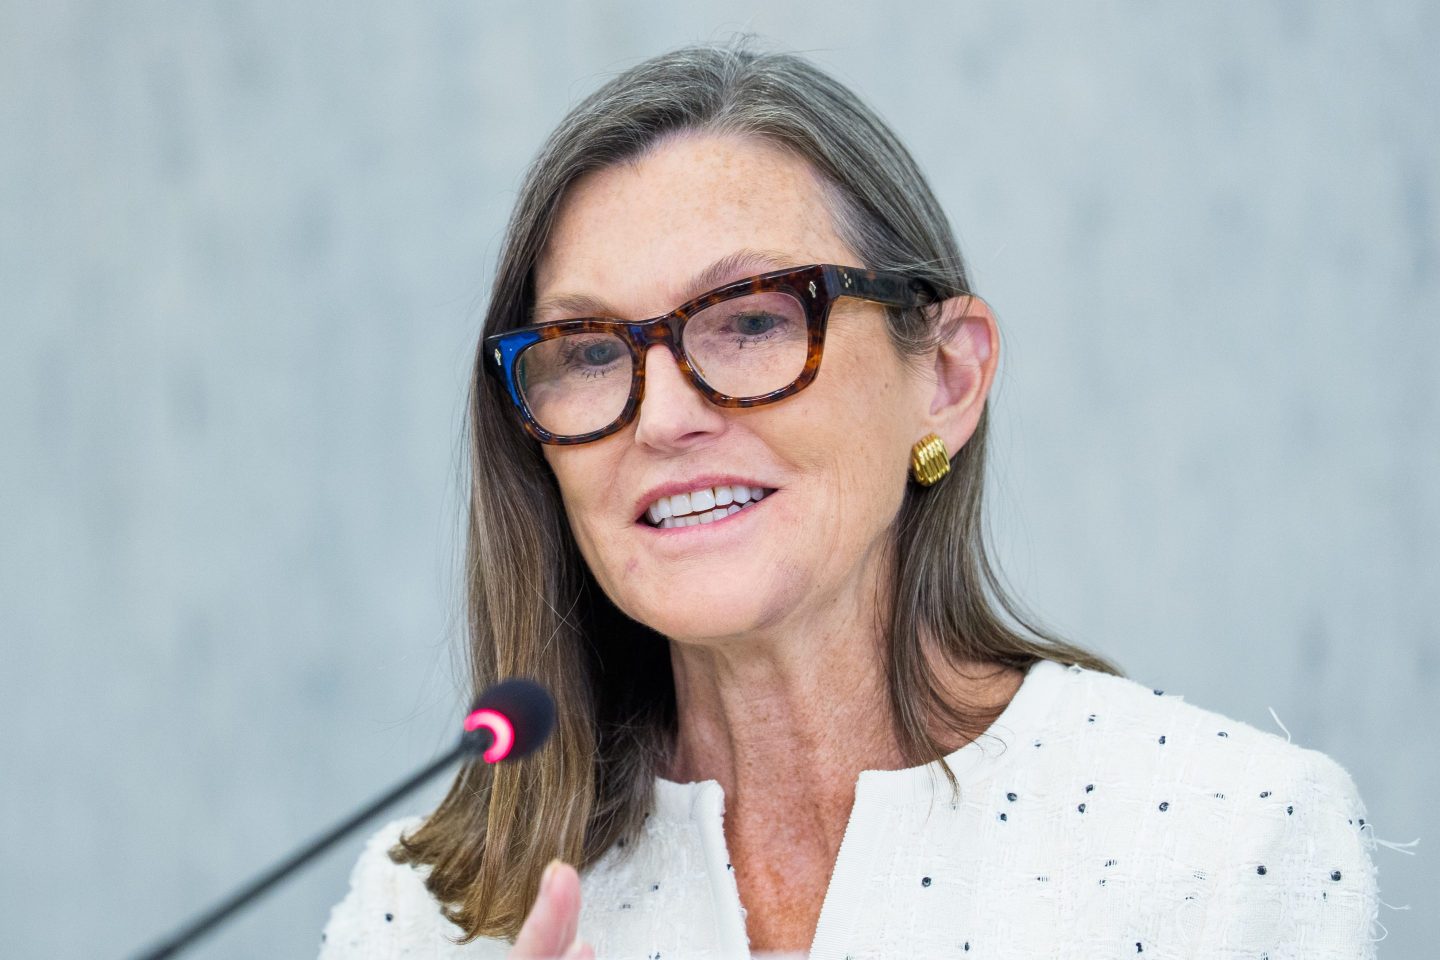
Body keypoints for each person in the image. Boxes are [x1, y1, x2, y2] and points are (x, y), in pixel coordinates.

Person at [319, 41, 1379, 959]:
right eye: (591, 351)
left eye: (752, 321)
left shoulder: (1225, 840)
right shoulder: (422, 919)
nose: (664, 418)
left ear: (949, 378)